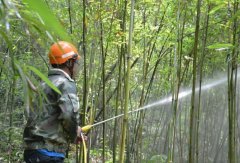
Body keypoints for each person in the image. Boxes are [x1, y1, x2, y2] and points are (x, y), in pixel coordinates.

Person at [23, 41, 82, 163]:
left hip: (32, 153)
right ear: (70, 62)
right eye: (76, 62)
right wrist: (75, 132)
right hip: (49, 154)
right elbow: (69, 115)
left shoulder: (44, 83)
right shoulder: (65, 83)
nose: (77, 67)